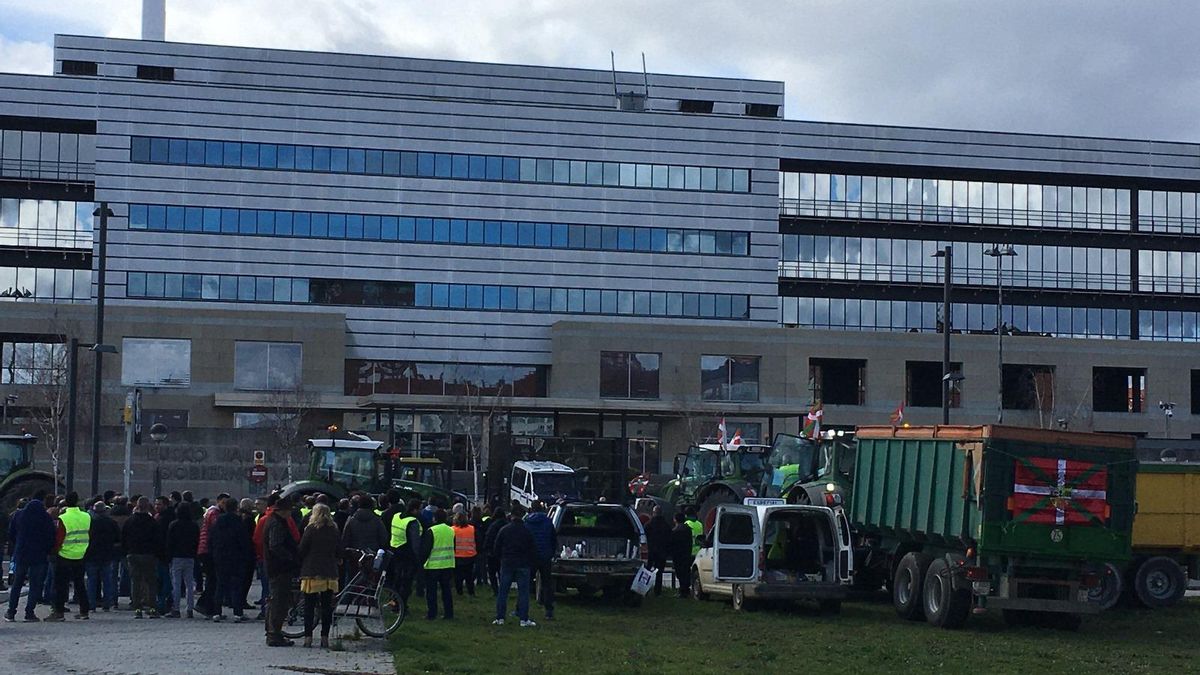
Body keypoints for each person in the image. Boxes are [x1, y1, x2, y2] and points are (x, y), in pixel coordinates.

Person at [5, 493, 56, 622]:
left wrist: (17, 545)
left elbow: (11, 534)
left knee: (17, 584)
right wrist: (47, 550)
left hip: (22, 553)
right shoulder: (45, 517)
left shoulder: (19, 515)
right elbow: (51, 537)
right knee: (35, 585)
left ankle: (11, 611)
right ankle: (29, 612)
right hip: (39, 555)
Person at [299, 503, 340, 648]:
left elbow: (302, 548)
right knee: (326, 606)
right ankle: (324, 637)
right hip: (329, 571)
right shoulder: (333, 530)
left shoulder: (310, 529)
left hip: (312, 571)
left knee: (309, 606)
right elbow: (338, 549)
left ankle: (308, 638)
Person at [48, 491, 91, 621]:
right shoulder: (86, 516)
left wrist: (55, 550)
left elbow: (60, 537)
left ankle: (59, 612)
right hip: (81, 553)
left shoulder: (64, 518)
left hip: (65, 554)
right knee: (80, 584)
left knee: (61, 584)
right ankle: (84, 611)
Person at [265, 496, 302, 647]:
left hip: (276, 567)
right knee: (279, 602)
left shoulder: (274, 521)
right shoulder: (277, 524)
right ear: (284, 510)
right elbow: (275, 546)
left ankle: (273, 632)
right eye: (289, 510)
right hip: (279, 568)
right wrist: (290, 558)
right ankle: (274, 635)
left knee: (276, 600)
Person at [492, 505, 536, 627]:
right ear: (522, 516)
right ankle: (523, 619)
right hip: (523, 563)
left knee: (503, 591)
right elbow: (532, 548)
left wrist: (501, 558)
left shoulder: (504, 530)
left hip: (507, 562)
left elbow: (496, 547)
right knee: (523, 592)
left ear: (511, 515)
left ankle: (500, 618)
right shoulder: (527, 531)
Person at [210, 497, 252, 622]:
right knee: (236, 586)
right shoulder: (238, 521)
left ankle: (217, 612)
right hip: (236, 557)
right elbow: (243, 541)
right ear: (236, 508)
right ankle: (237, 613)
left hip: (220, 556)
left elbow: (212, 538)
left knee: (220, 585)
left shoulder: (219, 521)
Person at [123, 496, 161, 617]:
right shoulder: (152, 522)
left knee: (135, 582)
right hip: (149, 554)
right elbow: (157, 539)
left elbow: (124, 538)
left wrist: (127, 551)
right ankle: (152, 608)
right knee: (150, 582)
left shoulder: (130, 521)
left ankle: (137, 609)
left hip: (133, 554)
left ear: (137, 506)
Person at [84, 501, 121, 612]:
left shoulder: (90, 523)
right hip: (107, 554)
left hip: (91, 554)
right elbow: (118, 539)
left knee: (91, 581)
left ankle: (92, 604)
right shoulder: (111, 523)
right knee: (107, 580)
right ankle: (107, 604)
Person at [420, 508, 455, 620]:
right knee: (446, 591)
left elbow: (426, 549)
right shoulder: (451, 530)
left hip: (433, 566)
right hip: (448, 564)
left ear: (434, 518)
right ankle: (449, 614)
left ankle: (432, 613)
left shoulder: (431, 531)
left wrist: (422, 562)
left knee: (431, 591)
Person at [523, 501, 556, 619]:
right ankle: (548, 610)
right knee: (547, 583)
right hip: (545, 555)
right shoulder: (548, 521)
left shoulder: (527, 522)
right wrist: (551, 553)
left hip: (531, 556)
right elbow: (553, 538)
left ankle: (521, 608)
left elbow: (524, 539)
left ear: (531, 509)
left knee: (525, 583)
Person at [166, 502, 199, 618]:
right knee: (189, 583)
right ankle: (190, 608)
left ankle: (176, 608)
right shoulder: (194, 525)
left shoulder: (174, 525)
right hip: (190, 556)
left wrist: (168, 557)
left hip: (176, 556)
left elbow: (170, 542)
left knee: (176, 583)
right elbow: (196, 541)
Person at [389, 499, 423, 608]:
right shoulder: (412, 522)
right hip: (407, 553)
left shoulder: (397, 516)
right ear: (414, 510)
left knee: (397, 579)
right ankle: (401, 606)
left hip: (395, 550)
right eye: (419, 509)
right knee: (406, 582)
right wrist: (418, 558)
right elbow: (415, 542)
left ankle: (393, 600)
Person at [153, 495, 175, 615]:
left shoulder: (165, 518)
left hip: (163, 553)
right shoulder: (159, 517)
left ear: (166, 505)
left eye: (159, 504)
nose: (157, 506)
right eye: (156, 504)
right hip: (161, 553)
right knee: (163, 579)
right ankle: (167, 601)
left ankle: (162, 603)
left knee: (164, 580)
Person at [644, 505, 672, 596]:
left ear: (653, 513)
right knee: (659, 572)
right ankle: (657, 591)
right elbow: (669, 539)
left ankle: (645, 589)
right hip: (662, 552)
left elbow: (645, 537)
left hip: (651, 551)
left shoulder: (648, 524)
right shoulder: (666, 525)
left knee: (647, 570)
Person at [451, 512, 477, 596]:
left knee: (458, 576)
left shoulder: (452, 529)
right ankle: (471, 592)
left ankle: (459, 592)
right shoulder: (472, 528)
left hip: (457, 555)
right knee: (469, 576)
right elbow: (477, 541)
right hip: (470, 555)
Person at [670, 513, 695, 599]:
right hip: (687, 553)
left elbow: (672, 544)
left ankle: (682, 591)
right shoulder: (688, 529)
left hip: (678, 555)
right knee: (686, 572)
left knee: (680, 573)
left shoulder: (675, 530)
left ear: (675, 519)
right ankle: (686, 590)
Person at [482, 507, 506, 595]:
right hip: (504, 553)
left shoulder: (492, 525)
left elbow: (488, 538)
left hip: (492, 553)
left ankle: (496, 590)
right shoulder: (506, 524)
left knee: (492, 573)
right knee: (502, 573)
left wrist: (486, 549)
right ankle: (503, 589)